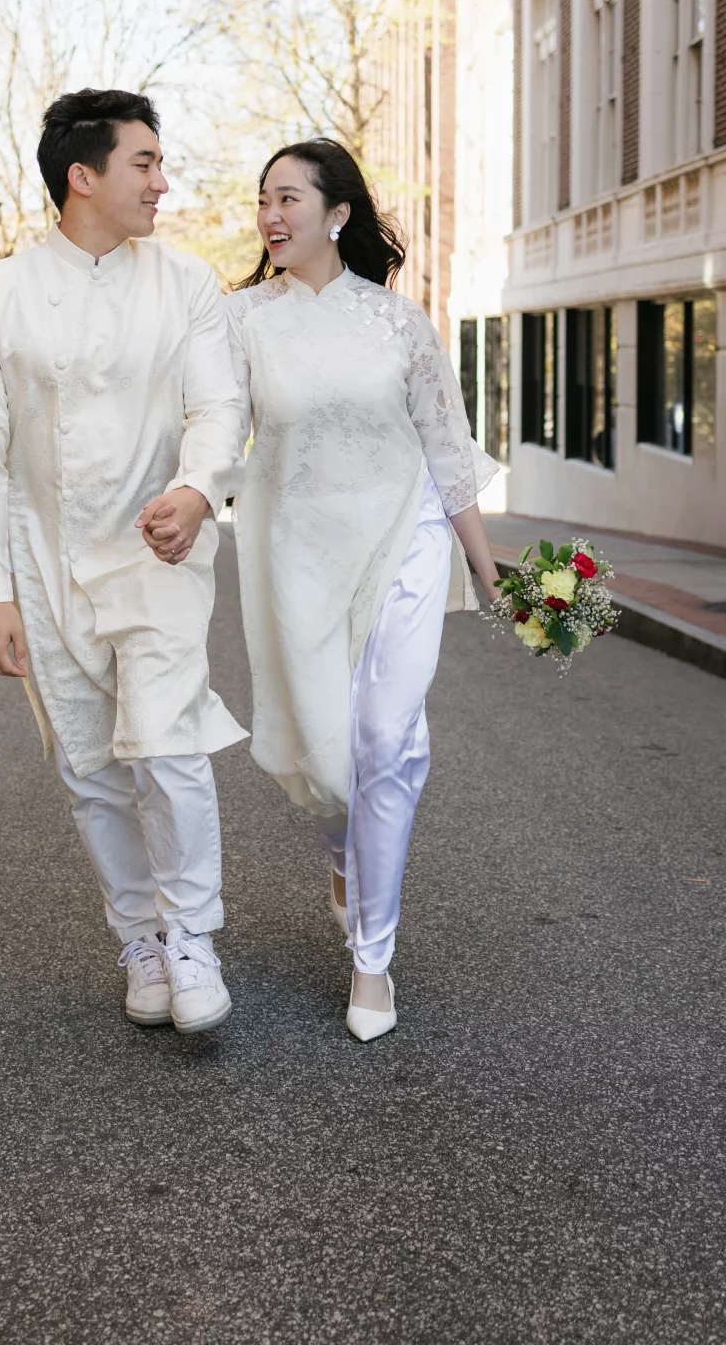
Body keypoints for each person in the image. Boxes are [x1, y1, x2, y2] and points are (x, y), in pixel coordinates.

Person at [0, 89, 248, 1034]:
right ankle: (141, 940)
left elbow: (217, 406)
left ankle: (193, 937)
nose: (162, 181)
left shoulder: (186, 282)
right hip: (44, 563)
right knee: (91, 769)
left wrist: (198, 491)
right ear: (84, 177)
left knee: (169, 748)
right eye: (144, 162)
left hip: (160, 554)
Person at [226, 138, 501, 1043]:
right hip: (300, 555)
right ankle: (343, 851)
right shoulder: (242, 324)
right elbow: (216, 438)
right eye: (264, 200)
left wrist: (482, 558)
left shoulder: (397, 322)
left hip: (404, 539)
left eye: (289, 198)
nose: (271, 215)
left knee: (388, 739)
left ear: (336, 212)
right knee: (330, 751)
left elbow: (444, 439)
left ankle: (372, 959)